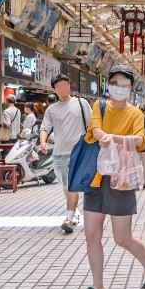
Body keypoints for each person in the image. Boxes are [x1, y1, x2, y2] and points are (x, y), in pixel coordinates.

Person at [76, 64, 145, 289]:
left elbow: (139, 139)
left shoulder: (136, 113)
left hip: (121, 179)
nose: (119, 88)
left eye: (124, 84)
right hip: (96, 178)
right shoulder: (100, 106)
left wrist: (111, 137)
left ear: (131, 87)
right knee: (91, 235)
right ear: (108, 86)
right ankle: (98, 285)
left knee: (122, 237)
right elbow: (94, 128)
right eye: (114, 83)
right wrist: (102, 136)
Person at [40, 74, 92, 234]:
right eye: (59, 86)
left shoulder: (81, 103)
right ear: (54, 89)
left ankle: (69, 219)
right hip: (59, 153)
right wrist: (43, 141)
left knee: (71, 185)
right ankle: (75, 213)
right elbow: (45, 127)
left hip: (79, 151)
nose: (62, 89)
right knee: (65, 186)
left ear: (70, 86)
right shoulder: (52, 109)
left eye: (65, 85)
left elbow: (92, 125)